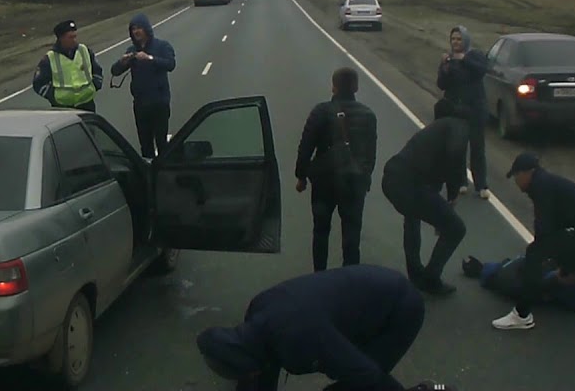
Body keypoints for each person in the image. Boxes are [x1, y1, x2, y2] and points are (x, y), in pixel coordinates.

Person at [195, 265, 457, 391]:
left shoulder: (303, 337)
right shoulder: (257, 316)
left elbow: (367, 375)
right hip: (364, 296)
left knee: (354, 385)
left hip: (398, 310)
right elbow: (260, 376)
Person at [492, 153, 575, 330]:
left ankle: (522, 315)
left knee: (534, 253)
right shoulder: (547, 182)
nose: (516, 181)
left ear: (528, 172)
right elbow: (557, 222)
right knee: (566, 266)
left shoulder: (540, 185)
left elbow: (544, 225)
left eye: (517, 176)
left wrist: (539, 254)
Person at [294, 67, 379, 271]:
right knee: (352, 235)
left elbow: (306, 146)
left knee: (321, 231)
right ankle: (350, 278)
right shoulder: (368, 115)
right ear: (356, 87)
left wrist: (301, 176)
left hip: (324, 181)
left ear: (333, 87)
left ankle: (320, 276)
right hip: (354, 182)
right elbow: (370, 153)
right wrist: (365, 177)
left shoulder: (320, 112)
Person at [380, 107, 470, 296]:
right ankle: (430, 278)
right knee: (456, 229)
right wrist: (452, 194)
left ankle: (416, 275)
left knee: (412, 218)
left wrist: (446, 205)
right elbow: (455, 153)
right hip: (410, 184)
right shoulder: (459, 126)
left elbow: (434, 174)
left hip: (392, 178)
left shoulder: (434, 131)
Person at [109, 13, 177, 159]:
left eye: (139, 28)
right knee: (145, 144)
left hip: (159, 102)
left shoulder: (162, 46)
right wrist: (123, 62)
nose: (136, 31)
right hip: (140, 103)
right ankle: (148, 168)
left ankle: (164, 168)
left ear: (146, 29)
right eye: (133, 29)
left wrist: (150, 58)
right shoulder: (131, 50)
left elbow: (170, 64)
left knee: (161, 141)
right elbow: (115, 71)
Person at [436, 26, 490, 199]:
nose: (455, 42)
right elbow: (442, 85)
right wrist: (444, 68)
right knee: (458, 147)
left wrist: (464, 59)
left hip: (475, 110)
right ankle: (461, 182)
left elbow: (481, 71)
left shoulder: (475, 55)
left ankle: (481, 185)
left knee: (477, 148)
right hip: (457, 110)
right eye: (453, 39)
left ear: (465, 40)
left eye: (459, 39)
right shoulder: (449, 60)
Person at [33, 19, 103, 112]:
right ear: (61, 38)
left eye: (75, 36)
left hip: (86, 103)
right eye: (70, 37)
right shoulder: (50, 58)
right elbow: (38, 83)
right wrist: (52, 96)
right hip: (62, 107)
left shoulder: (84, 50)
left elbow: (97, 70)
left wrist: (95, 85)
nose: (74, 40)